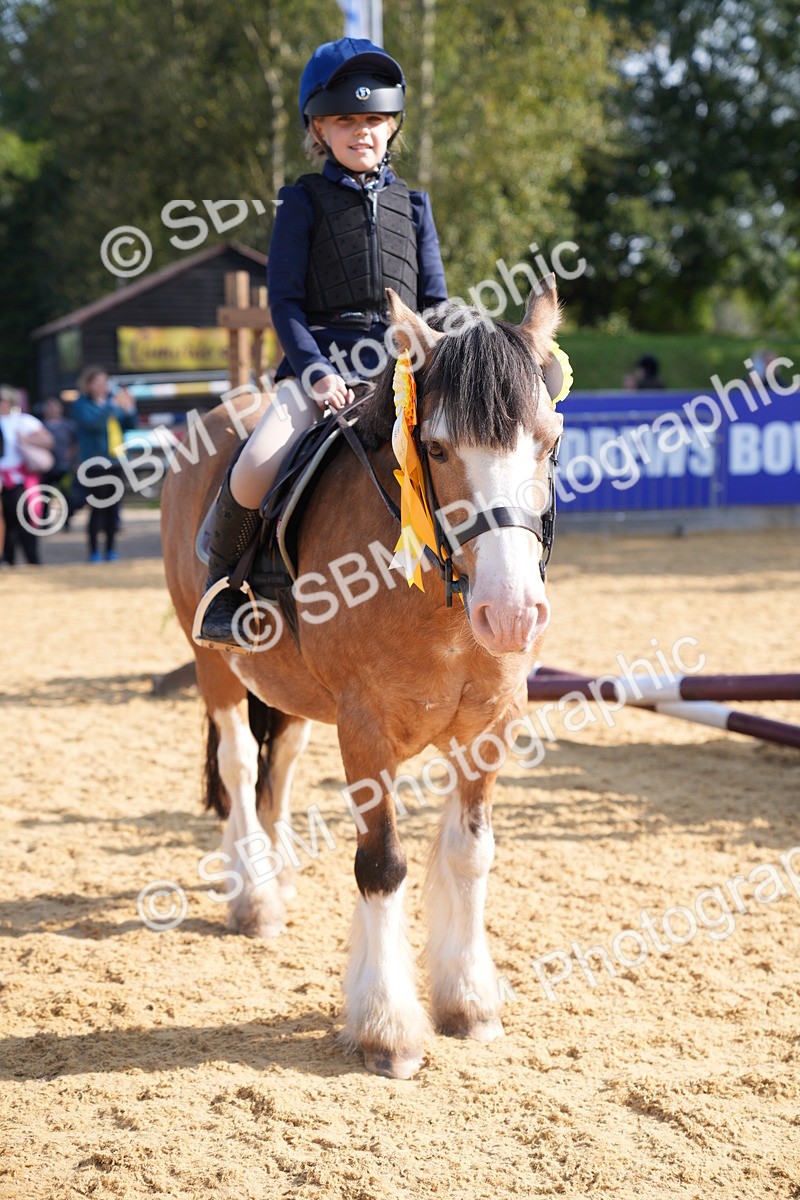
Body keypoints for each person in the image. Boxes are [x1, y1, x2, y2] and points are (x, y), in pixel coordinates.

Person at [195, 37, 448, 649]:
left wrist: (437, 356)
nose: (360, 133)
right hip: (323, 364)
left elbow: (435, 301)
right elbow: (283, 302)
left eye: (372, 121)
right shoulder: (302, 200)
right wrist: (314, 373)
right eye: (345, 121)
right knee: (258, 463)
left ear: (391, 126)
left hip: (401, 365)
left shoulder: (413, 205)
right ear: (318, 127)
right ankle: (226, 591)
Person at [72, 367, 137, 561]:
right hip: (95, 464)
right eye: (98, 382)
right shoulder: (81, 405)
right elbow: (93, 425)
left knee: (113, 509)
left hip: (115, 461)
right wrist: (111, 405)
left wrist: (129, 408)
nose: (102, 386)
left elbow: (129, 425)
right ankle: (93, 551)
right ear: (88, 385)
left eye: (104, 382)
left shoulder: (112, 404)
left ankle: (110, 549)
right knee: (97, 509)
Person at [0, 385, 54, 566]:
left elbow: (47, 440)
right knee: (4, 522)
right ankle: (8, 560)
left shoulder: (23, 420)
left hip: (19, 479)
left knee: (24, 519)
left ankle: (32, 559)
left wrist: (25, 439)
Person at [40, 395, 78, 527]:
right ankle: (44, 521)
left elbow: (76, 443)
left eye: (55, 407)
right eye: (49, 407)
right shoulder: (40, 425)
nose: (52, 410)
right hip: (46, 468)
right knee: (45, 495)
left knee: (66, 494)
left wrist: (72, 457)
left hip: (64, 466)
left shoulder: (69, 425)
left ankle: (67, 520)